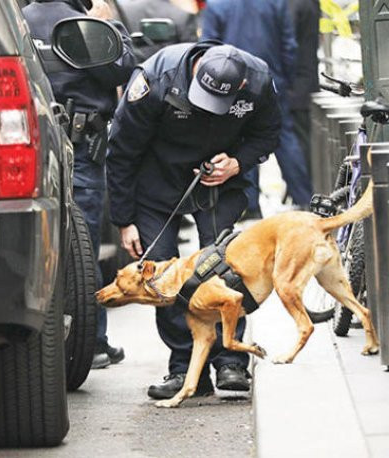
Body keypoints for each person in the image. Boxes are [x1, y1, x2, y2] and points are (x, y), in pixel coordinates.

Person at [107, 42, 281, 399]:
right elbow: (121, 150)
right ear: (195, 69)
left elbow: (268, 134)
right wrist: (124, 219)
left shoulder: (259, 79)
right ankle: (185, 368)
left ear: (242, 87)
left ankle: (230, 361)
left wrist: (238, 162)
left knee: (226, 271)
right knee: (162, 279)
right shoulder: (156, 78)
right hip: (157, 182)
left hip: (220, 183)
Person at [22, 0, 137, 368]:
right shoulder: (84, 24)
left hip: (31, 143)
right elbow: (122, 68)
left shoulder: (18, 22)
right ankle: (93, 342)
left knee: (36, 241)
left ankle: (44, 339)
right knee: (81, 244)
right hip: (81, 146)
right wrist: (108, 26)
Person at [202, 0, 312, 214]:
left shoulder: (216, 5)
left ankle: (250, 205)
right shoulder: (275, 3)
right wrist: (286, 80)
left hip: (231, 82)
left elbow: (208, 48)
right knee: (285, 139)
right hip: (272, 79)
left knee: (239, 139)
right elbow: (288, 44)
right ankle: (304, 198)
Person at [287, 0, 320, 169]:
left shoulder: (295, 5)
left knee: (300, 151)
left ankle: (305, 194)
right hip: (303, 84)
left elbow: (288, 45)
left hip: (296, 87)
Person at [116, 0, 199, 60]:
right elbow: (192, 56)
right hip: (168, 77)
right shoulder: (182, 15)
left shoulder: (123, 9)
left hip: (133, 76)